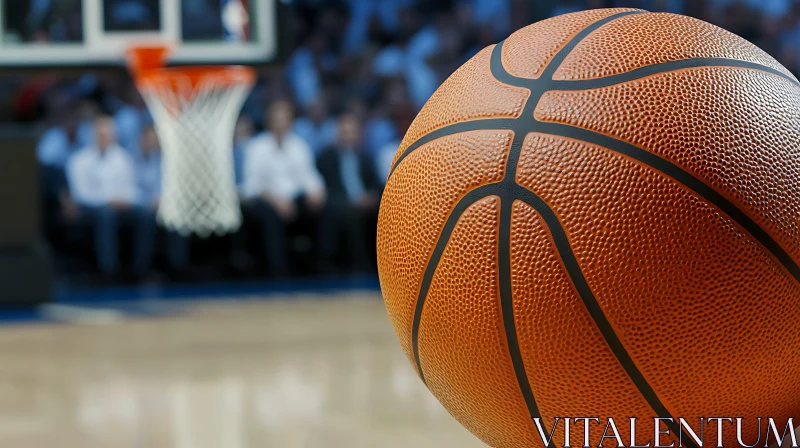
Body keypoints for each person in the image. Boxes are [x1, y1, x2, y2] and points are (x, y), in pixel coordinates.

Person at [242, 100, 326, 275]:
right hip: (265, 199)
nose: (280, 123)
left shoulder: (299, 145)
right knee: (269, 214)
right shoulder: (256, 147)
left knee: (325, 207)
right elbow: (252, 185)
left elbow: (309, 176)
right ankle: (278, 269)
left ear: (290, 122)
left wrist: (317, 192)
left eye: (284, 119)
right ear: (269, 121)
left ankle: (322, 264)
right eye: (276, 119)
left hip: (294, 199)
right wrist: (276, 201)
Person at [66, 116, 155, 278]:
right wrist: (109, 201)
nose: (105, 138)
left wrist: (124, 201)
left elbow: (131, 189)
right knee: (106, 215)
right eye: (101, 134)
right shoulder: (79, 160)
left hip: (121, 205)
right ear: (93, 135)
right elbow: (80, 195)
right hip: (91, 208)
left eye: (108, 134)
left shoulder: (123, 158)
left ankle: (140, 269)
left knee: (144, 214)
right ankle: (108, 270)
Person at [316, 113, 382, 272]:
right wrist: (353, 201)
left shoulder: (365, 157)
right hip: (340, 202)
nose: (347, 135)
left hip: (365, 202)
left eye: (350, 131)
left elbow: (376, 184)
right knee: (348, 212)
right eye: (344, 131)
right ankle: (358, 263)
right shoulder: (326, 157)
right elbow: (326, 187)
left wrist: (371, 196)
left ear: (357, 134)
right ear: (338, 133)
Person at [135, 125, 190, 274]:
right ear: (141, 140)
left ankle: (178, 268)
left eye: (155, 139)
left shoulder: (167, 160)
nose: (152, 142)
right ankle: (142, 268)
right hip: (138, 206)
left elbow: (173, 187)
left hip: (162, 204)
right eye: (149, 139)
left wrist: (163, 200)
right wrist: (148, 202)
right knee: (145, 217)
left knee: (177, 214)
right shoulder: (132, 160)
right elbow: (129, 190)